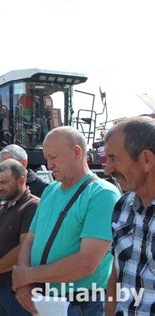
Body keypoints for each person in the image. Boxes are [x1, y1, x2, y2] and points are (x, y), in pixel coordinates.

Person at [11, 126, 120, 315]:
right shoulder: (50, 190)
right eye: (47, 158)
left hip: (81, 304)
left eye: (53, 157)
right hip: (46, 300)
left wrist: (28, 276)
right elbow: (30, 240)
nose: (49, 165)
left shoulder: (102, 194)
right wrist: (23, 285)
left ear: (77, 152)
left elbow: (87, 263)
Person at [103, 116, 155, 315]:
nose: (107, 170)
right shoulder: (122, 206)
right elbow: (116, 273)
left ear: (146, 160)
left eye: (113, 158)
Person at [0, 159, 39, 316]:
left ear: (21, 180)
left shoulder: (32, 206)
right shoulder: (0, 206)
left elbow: (25, 248)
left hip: (15, 288)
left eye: (4, 182)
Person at [0, 144, 48, 230]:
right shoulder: (2, 187)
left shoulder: (43, 187)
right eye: (1, 165)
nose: (3, 170)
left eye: (9, 165)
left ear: (24, 163)